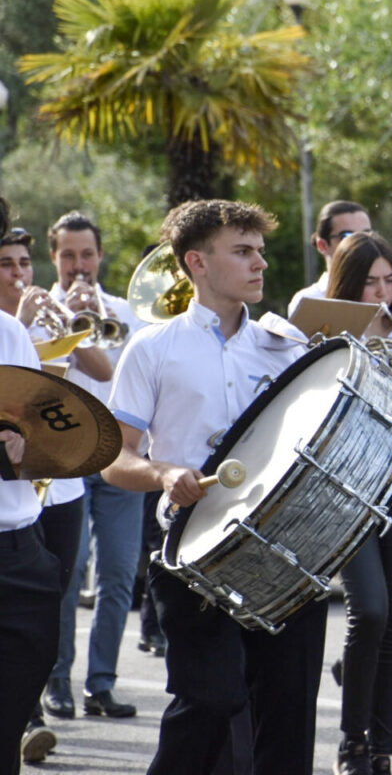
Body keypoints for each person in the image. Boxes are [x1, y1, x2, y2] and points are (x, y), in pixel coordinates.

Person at [102, 199, 328, 775]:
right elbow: (113, 459)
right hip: (191, 552)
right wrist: (162, 473)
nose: (261, 265)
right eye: (243, 252)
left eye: (259, 251)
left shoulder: (288, 350)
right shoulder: (152, 348)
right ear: (197, 263)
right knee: (212, 699)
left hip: (285, 549)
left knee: (289, 717)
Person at [0, 226, 114, 762]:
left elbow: (34, 431)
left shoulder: (8, 331)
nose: (17, 274)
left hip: (33, 521)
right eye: (8, 263)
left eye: (21, 262)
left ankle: (42, 701)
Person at [326, 230, 392, 775]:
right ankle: (350, 740)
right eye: (370, 282)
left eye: (390, 280)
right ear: (347, 282)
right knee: (369, 610)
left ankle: (378, 749)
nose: (382, 292)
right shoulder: (322, 323)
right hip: (347, 488)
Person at [42, 212, 148, 723]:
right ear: (53, 258)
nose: (78, 267)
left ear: (100, 257)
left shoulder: (126, 313)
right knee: (65, 573)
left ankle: (101, 683)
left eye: (87, 255)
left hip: (117, 455)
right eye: (68, 255)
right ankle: (56, 679)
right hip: (62, 456)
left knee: (120, 575)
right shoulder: (36, 314)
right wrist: (67, 325)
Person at [287, 200, 372, 317]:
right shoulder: (309, 301)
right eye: (347, 236)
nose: (360, 244)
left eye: (366, 235)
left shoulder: (389, 294)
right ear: (322, 245)